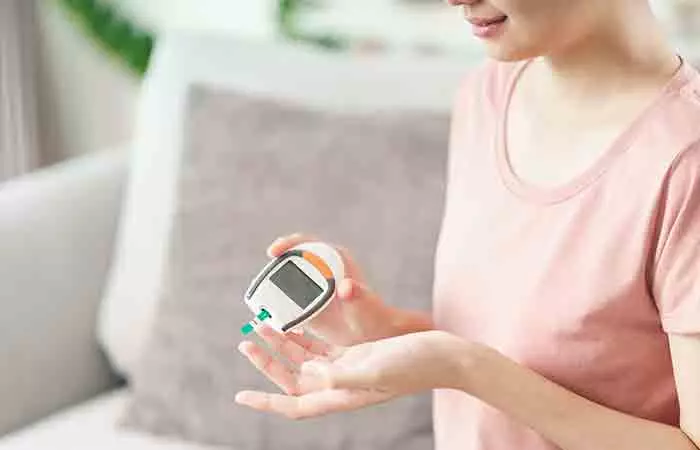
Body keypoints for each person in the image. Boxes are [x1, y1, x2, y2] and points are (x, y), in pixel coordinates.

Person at [235, 1, 700, 449]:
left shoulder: (685, 165)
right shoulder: (489, 93)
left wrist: (463, 367)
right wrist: (386, 333)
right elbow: (521, 350)